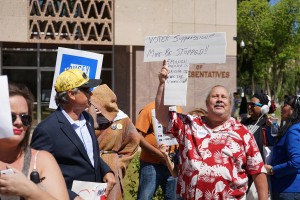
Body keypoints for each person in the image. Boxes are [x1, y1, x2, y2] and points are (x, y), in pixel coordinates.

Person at [155, 60, 268, 200]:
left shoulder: (243, 133)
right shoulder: (189, 124)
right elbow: (162, 116)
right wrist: (162, 84)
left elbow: (258, 171)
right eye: (215, 96)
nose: (219, 100)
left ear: (230, 104)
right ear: (207, 103)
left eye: (223, 97)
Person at [30, 69, 116, 200]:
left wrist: (105, 170)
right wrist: (71, 196)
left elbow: (91, 155)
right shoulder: (47, 129)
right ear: (71, 94)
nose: (91, 93)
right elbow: (37, 175)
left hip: (94, 194)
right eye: (86, 89)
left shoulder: (87, 119)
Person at [0, 83, 68, 200]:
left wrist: (31, 191)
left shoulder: (42, 160)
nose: (19, 122)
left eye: (25, 118)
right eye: (11, 117)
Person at [88, 84, 140, 200]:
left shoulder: (122, 120)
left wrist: (120, 164)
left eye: (98, 103)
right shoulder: (86, 118)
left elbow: (132, 144)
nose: (95, 107)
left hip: (111, 163)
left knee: (111, 195)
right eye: (92, 103)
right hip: (91, 163)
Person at [136, 101, 181, 200]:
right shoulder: (148, 109)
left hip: (173, 162)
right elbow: (138, 137)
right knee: (145, 197)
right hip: (151, 163)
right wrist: (160, 155)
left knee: (173, 197)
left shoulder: (177, 109)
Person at [264, 95, 300, 199]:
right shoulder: (292, 127)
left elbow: (296, 162)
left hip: (288, 190)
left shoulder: (294, 130)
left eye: (285, 104)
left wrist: (273, 170)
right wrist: (271, 126)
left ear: (293, 109)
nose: (282, 107)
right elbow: (277, 144)